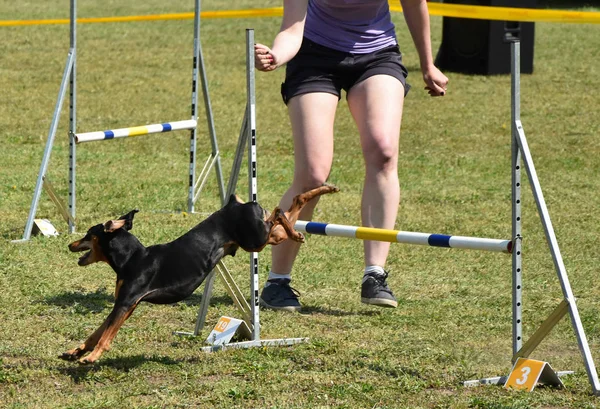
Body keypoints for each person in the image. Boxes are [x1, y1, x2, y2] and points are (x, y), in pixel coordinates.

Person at [255, 0, 448, 312]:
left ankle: (375, 274)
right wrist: (276, 56)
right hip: (313, 56)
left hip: (378, 54)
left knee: (383, 150)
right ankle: (278, 281)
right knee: (312, 174)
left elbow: (415, 4)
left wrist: (428, 64)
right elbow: (292, 29)